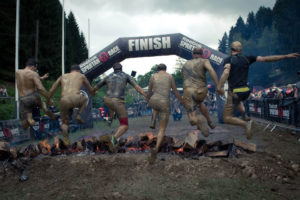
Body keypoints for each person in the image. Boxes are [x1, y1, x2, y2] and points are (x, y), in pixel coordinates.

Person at [217, 41, 299, 139]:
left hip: (235, 92)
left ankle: (245, 124)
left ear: (231, 50)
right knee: (239, 103)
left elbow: (226, 72)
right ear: (241, 50)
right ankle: (244, 116)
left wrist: (219, 86)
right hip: (246, 91)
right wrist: (286, 56)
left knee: (226, 118)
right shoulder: (247, 58)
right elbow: (266, 59)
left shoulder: (228, 59)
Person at [93, 62, 147, 152]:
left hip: (106, 100)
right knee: (124, 125)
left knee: (112, 105)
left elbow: (94, 88)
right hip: (117, 101)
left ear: (113, 69)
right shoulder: (126, 76)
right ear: (121, 69)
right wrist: (146, 95)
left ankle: (110, 119)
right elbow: (137, 88)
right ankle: (113, 139)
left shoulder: (108, 76)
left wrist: (95, 94)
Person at [48, 64, 95, 146]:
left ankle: (66, 139)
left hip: (64, 100)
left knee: (64, 123)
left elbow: (52, 90)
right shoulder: (81, 76)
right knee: (85, 98)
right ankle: (79, 115)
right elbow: (90, 90)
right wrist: (94, 92)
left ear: (70, 70)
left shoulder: (62, 76)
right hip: (76, 98)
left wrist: (48, 99)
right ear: (78, 71)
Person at [147, 64, 184, 164]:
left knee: (155, 104)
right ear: (165, 69)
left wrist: (147, 99)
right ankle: (157, 148)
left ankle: (154, 119)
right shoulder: (169, 76)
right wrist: (182, 100)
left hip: (154, 100)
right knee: (162, 129)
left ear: (157, 70)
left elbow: (149, 91)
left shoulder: (152, 76)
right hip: (164, 102)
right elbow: (175, 91)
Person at [182, 47, 219, 137]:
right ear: (202, 54)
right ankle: (209, 122)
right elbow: (211, 70)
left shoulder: (186, 64)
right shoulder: (204, 61)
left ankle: (199, 120)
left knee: (192, 120)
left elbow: (184, 79)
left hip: (188, 91)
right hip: (201, 90)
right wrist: (218, 85)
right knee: (199, 103)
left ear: (192, 54)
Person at [15, 58, 55, 130]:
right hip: (33, 97)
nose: (35, 70)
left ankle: (29, 120)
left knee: (25, 117)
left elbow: (28, 77)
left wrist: (42, 78)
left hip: (23, 99)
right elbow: (40, 88)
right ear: (33, 66)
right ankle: (45, 109)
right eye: (35, 68)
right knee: (42, 103)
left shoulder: (17, 72)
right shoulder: (34, 74)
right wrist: (49, 99)